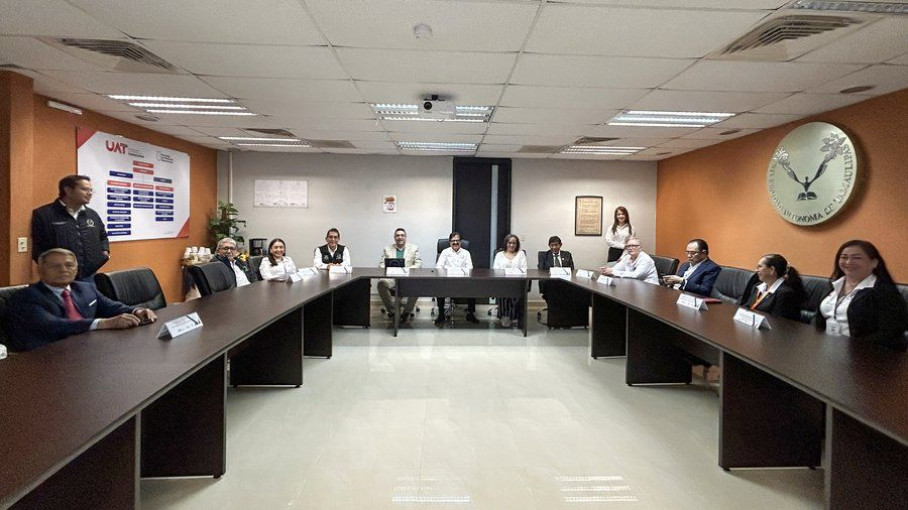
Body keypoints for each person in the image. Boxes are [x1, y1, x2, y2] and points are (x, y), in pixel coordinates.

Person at [4, 248, 157, 352]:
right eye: (55, 266)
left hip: (86, 349)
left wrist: (136, 310)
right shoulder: (26, 297)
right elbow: (53, 325)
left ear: (76, 269)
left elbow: (110, 306)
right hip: (45, 359)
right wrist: (103, 323)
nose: (63, 270)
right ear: (40, 270)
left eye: (69, 265)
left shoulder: (85, 288)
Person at [816, 240, 907, 351]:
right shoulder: (833, 284)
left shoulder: (884, 291)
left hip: (864, 354)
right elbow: (818, 319)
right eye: (844, 257)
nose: (848, 262)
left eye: (857, 258)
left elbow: (891, 332)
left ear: (874, 263)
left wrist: (853, 348)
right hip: (828, 347)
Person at [31, 175, 110, 281]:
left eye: (91, 190)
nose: (89, 193)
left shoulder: (92, 215)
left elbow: (102, 235)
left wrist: (104, 252)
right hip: (58, 277)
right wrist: (52, 268)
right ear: (68, 190)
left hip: (89, 276)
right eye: (84, 189)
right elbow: (38, 246)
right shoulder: (44, 214)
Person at [738, 254, 806, 321]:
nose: (756, 270)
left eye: (760, 267)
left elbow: (778, 321)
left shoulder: (785, 293)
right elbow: (746, 307)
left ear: (772, 270)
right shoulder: (757, 287)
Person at [377, 228, 422, 324]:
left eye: (402, 235)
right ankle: (392, 311)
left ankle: (406, 312)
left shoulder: (414, 248)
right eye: (397, 235)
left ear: (405, 237)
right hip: (392, 277)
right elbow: (381, 264)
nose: (400, 237)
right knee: (381, 283)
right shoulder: (387, 249)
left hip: (407, 277)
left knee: (418, 286)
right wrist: (389, 270)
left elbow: (418, 264)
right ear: (394, 238)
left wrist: (406, 270)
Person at [435, 231, 478, 325]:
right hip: (447, 281)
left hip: (463, 281)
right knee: (439, 288)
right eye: (453, 241)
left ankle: (470, 314)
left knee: (473, 287)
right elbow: (438, 267)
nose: (455, 243)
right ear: (449, 242)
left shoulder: (466, 253)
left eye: (457, 240)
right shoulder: (445, 252)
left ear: (461, 242)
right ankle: (441, 314)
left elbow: (470, 268)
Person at [492, 234, 528, 328]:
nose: (512, 245)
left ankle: (514, 316)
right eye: (510, 243)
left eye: (514, 243)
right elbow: (495, 270)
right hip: (503, 282)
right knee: (504, 292)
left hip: (517, 282)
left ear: (517, 244)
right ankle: (504, 315)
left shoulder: (521, 254)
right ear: (506, 243)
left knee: (515, 293)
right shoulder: (499, 255)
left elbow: (524, 269)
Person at [537, 235, 574, 300]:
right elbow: (541, 271)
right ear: (549, 245)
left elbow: (571, 269)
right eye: (552, 245)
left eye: (556, 245)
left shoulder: (567, 255)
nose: (554, 247)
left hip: (564, 281)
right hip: (550, 281)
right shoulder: (544, 256)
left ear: (560, 245)